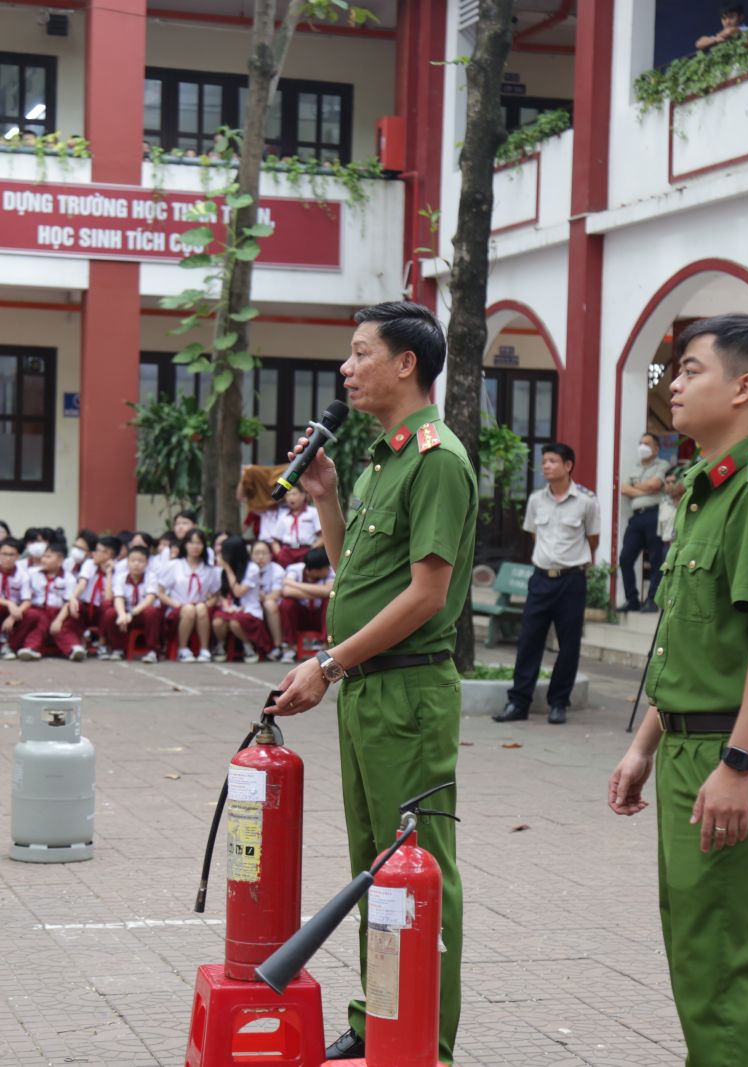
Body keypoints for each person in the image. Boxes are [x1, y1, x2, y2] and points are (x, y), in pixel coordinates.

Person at [608, 314, 748, 1066]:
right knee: (696, 949)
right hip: (690, 744)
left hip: (731, 754)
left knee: (720, 960)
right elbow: (703, 643)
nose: (674, 382)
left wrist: (738, 763)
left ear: (744, 387)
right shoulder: (709, 490)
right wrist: (644, 743)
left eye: (691, 369)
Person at [265, 301, 474, 1064]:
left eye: (360, 354)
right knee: (373, 864)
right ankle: (379, 1014)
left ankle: (427, 1038)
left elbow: (424, 594)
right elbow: (362, 570)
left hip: (407, 693)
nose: (346, 369)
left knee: (419, 867)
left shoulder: (437, 459)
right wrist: (325, 499)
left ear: (406, 363)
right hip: (366, 688)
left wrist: (328, 662)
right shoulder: (383, 459)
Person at [494, 443, 600, 726]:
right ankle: (518, 702)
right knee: (529, 639)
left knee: (568, 644)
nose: (546, 466)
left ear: (568, 466)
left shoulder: (586, 501)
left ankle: (558, 703)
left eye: (553, 461)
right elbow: (533, 535)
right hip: (541, 578)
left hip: (571, 580)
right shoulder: (535, 500)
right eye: (544, 461)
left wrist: (571, 562)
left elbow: (593, 540)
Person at [619, 432, 674, 613]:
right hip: (636, 518)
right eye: (640, 443)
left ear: (656, 448)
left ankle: (652, 601)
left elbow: (655, 485)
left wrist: (637, 487)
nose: (642, 447)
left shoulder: (662, 464)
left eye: (647, 444)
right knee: (625, 558)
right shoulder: (634, 467)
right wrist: (645, 489)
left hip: (654, 515)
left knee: (656, 558)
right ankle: (632, 599)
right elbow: (624, 489)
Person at [156, 528, 218, 662]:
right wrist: (176, 604)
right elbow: (160, 592)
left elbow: (215, 594)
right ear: (185, 545)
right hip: (177, 606)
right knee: (189, 609)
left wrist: (208, 604)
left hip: (200, 608)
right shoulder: (174, 565)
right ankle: (182, 649)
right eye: (191, 543)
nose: (195, 547)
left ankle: (204, 649)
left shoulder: (208, 569)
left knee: (200, 608)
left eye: (199, 543)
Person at [211, 536, 273, 662]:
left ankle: (248, 647)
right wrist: (226, 606)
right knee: (217, 621)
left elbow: (238, 592)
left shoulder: (252, 568)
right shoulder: (222, 570)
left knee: (235, 622)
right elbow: (223, 592)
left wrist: (228, 569)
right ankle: (221, 645)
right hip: (231, 607)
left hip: (249, 609)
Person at [19, 541, 85, 661]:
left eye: (48, 557)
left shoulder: (69, 578)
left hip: (59, 611)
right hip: (39, 609)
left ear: (60, 561)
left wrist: (58, 620)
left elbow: (68, 601)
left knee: (63, 626)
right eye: (43, 556)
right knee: (41, 623)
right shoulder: (32, 573)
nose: (43, 559)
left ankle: (74, 649)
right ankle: (31, 648)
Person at [276, 546, 332, 663]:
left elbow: (328, 591)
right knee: (287, 603)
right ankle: (290, 647)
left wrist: (294, 585)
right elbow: (286, 591)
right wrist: (318, 592)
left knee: (329, 600)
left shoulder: (329, 572)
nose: (328, 569)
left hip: (318, 615)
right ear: (314, 571)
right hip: (301, 614)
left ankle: (324, 644)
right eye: (325, 568)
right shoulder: (295, 569)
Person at [70, 534, 119, 656]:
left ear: (108, 554)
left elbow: (108, 598)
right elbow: (82, 583)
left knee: (107, 607)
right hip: (87, 606)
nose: (93, 553)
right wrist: (73, 597)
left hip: (101, 610)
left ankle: (102, 643)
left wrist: (108, 574)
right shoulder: (89, 564)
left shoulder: (118, 571)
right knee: (75, 605)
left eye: (97, 551)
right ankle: (81, 641)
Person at [117, 543, 164, 662]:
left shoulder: (151, 577)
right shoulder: (120, 577)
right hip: (127, 614)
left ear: (147, 563)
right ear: (127, 562)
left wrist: (131, 614)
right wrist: (122, 614)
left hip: (143, 615)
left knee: (151, 612)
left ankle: (152, 651)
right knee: (110, 613)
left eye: (140, 561)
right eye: (132, 560)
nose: (136, 564)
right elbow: (118, 597)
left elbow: (150, 599)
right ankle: (116, 649)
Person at [268, 487, 320, 567]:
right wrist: (279, 554)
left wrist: (312, 549)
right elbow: (275, 540)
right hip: (287, 551)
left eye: (294, 494)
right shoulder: (283, 516)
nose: (290, 498)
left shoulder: (313, 513)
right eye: (287, 495)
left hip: (306, 550)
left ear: (303, 496)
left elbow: (323, 536)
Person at [251, 540, 287, 650]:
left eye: (264, 553)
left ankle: (278, 645)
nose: (260, 557)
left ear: (271, 555)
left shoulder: (277, 570)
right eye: (256, 553)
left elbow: (275, 595)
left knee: (270, 604)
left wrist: (262, 597)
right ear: (251, 555)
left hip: (270, 602)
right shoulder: (247, 569)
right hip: (250, 604)